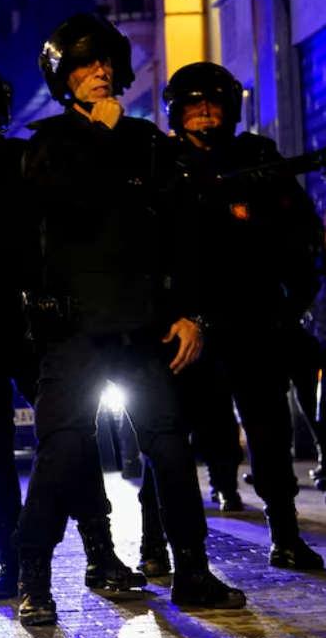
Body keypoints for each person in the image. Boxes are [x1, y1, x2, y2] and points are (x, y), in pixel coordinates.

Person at [15, 14, 246, 626]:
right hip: (75, 328)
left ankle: (191, 571)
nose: (100, 74)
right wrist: (98, 138)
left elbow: (184, 236)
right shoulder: (48, 145)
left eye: (106, 64)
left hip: (145, 325)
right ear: (64, 78)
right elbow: (61, 206)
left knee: (170, 449)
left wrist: (191, 314)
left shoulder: (148, 142)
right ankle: (33, 578)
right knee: (60, 452)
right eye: (85, 66)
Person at [0, 61, 144, 600]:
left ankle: (14, 560)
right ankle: (97, 553)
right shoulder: (21, 153)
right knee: (67, 433)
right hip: (25, 315)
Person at [137, 62, 324, 573]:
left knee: (268, 432)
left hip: (253, 321)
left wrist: (289, 309)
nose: (204, 112)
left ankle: (285, 534)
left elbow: (304, 237)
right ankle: (155, 545)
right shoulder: (160, 164)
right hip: (185, 326)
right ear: (175, 111)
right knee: (170, 437)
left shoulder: (258, 160)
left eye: (213, 102)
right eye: (193, 103)